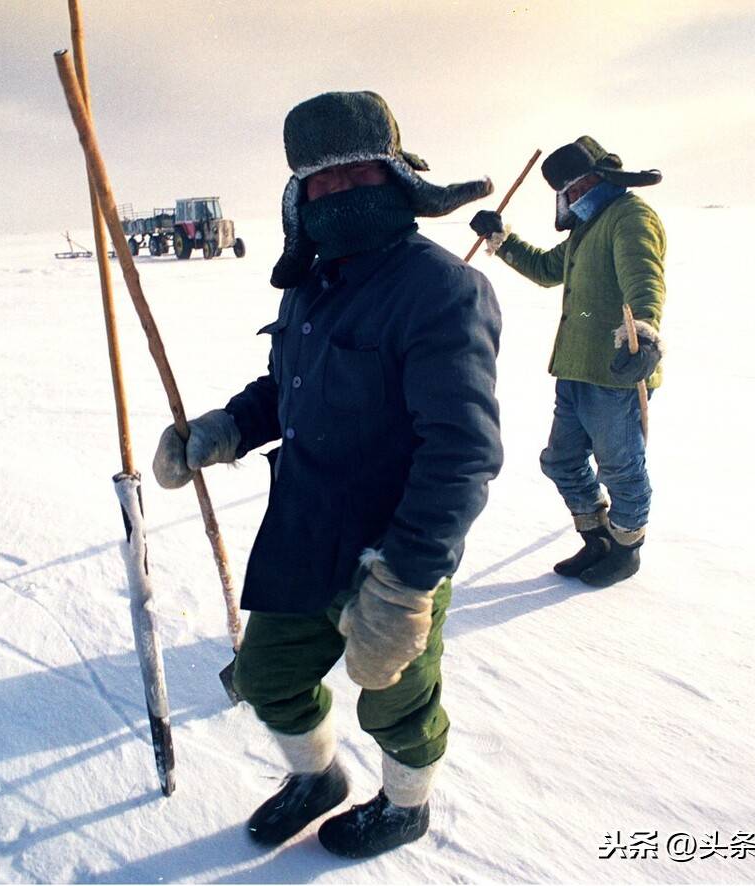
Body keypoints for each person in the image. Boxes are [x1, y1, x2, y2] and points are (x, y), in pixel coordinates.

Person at [152, 91, 503, 858]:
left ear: (394, 175)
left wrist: (406, 584)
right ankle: (316, 778)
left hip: (391, 553)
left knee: (397, 704)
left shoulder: (441, 290)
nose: (338, 194)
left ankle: (406, 807)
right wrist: (225, 430)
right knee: (268, 676)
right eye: (321, 182)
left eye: (356, 175)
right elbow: (289, 387)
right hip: (306, 531)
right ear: (299, 197)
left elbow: (461, 452)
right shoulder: (312, 285)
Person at [470, 136, 666, 587]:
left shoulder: (630, 217)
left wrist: (645, 334)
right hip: (574, 369)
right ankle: (597, 538)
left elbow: (644, 279)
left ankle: (626, 547)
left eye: (582, 184)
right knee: (561, 461)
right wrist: (500, 239)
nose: (575, 196)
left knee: (620, 467)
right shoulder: (586, 226)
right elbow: (544, 269)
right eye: (568, 191)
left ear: (605, 177)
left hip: (617, 371)